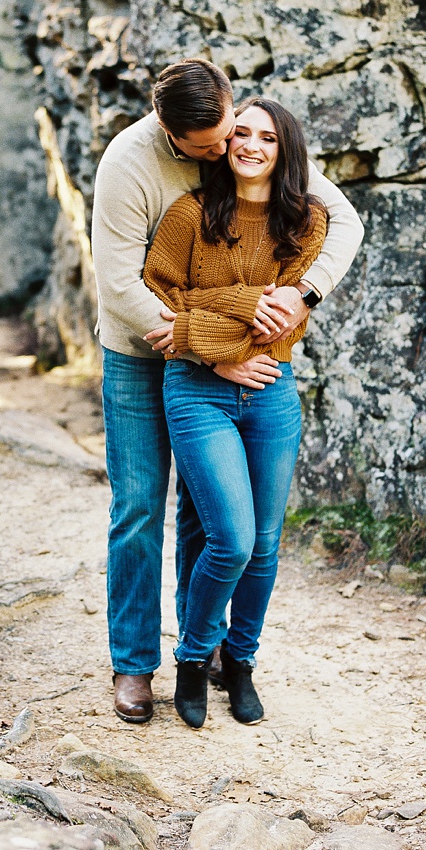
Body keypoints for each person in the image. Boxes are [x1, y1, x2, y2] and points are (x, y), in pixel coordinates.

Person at [92, 59, 364, 724]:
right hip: (141, 350)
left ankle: (204, 642)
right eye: (209, 146)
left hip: (221, 357)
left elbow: (340, 218)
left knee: (206, 516)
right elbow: (127, 286)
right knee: (137, 507)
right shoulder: (130, 164)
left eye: (233, 131)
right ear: (170, 132)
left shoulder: (240, 138)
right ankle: (133, 665)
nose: (227, 149)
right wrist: (221, 353)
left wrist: (303, 294)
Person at [141, 96, 325, 728]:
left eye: (267, 138)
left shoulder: (305, 223)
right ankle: (193, 660)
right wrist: (237, 321)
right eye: (240, 133)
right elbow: (162, 298)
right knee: (232, 539)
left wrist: (213, 313)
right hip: (197, 390)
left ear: (285, 150)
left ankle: (239, 663)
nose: (250, 145)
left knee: (267, 544)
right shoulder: (188, 214)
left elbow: (282, 321)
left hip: (272, 389)